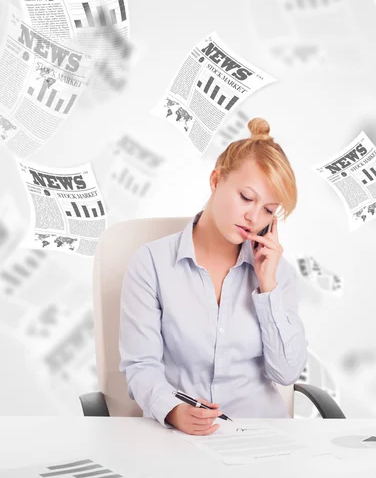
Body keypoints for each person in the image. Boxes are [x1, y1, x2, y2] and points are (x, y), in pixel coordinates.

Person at [119, 118, 308, 436]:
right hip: (183, 438)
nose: (253, 217)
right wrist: (174, 411)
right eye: (247, 198)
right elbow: (141, 366)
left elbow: (287, 373)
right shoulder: (151, 264)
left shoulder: (276, 274)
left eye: (268, 210)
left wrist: (268, 287)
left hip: (263, 437)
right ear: (216, 180)